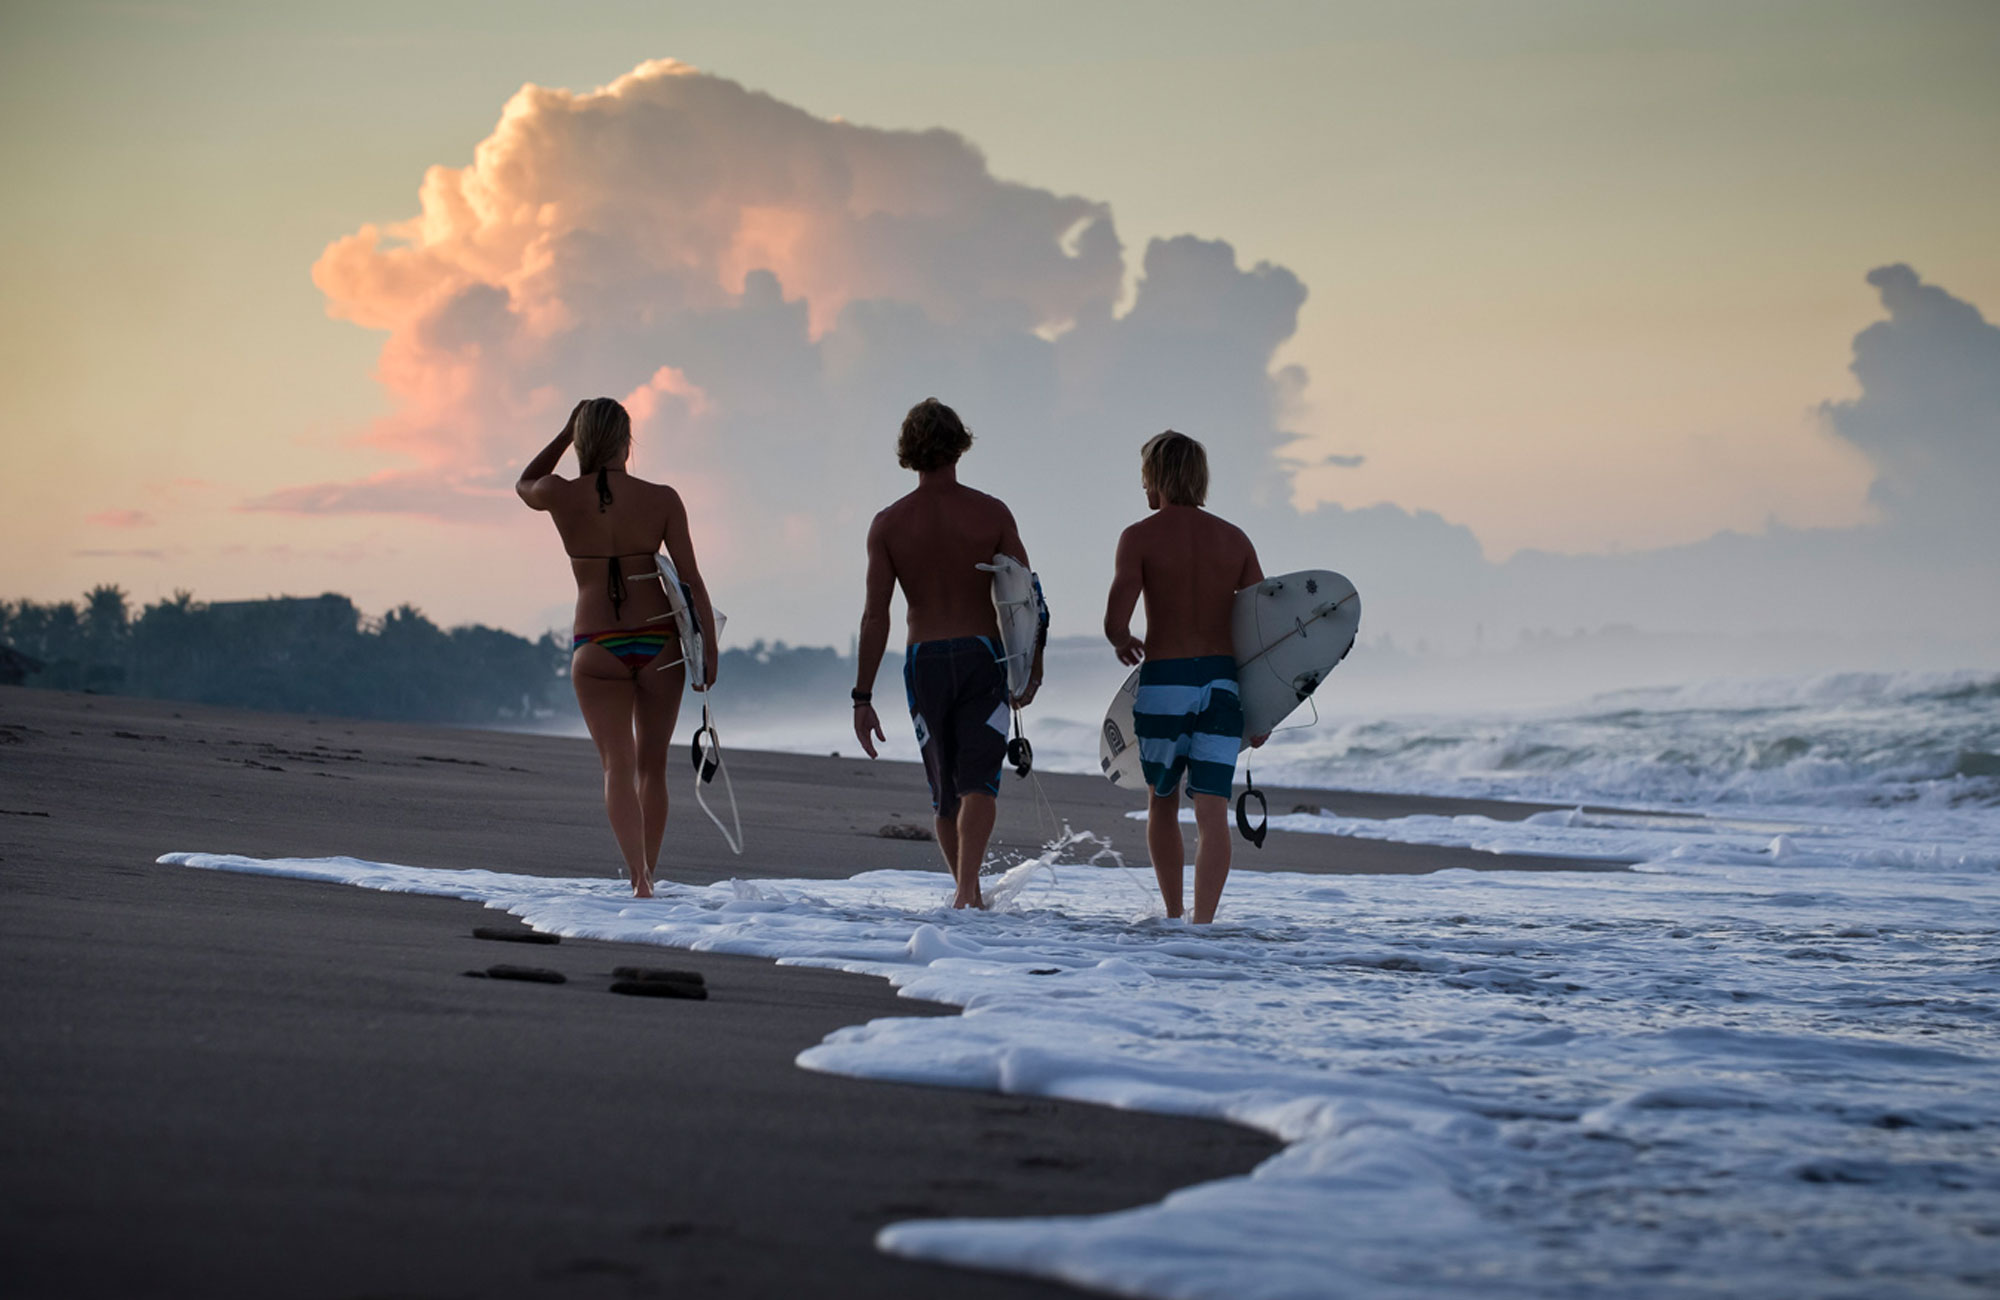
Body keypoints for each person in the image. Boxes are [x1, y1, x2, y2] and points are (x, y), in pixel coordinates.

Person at [517, 398, 719, 899]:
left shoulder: (560, 495)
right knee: (652, 766)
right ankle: (648, 871)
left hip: (596, 645)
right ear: (628, 441)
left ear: (583, 441)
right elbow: (690, 580)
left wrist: (565, 433)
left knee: (617, 767)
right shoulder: (662, 498)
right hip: (658, 644)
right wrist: (708, 648)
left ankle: (639, 879)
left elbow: (524, 481)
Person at [852, 398, 1045, 909]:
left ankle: (968, 892)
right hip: (983, 657)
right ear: (960, 444)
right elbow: (1027, 598)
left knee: (944, 789)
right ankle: (967, 891)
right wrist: (1032, 667)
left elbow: (876, 616)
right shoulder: (991, 512)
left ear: (908, 452)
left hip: (925, 662)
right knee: (980, 781)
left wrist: (862, 696)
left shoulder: (889, 524)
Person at [1103, 431, 1263, 924]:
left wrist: (1121, 640)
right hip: (1221, 681)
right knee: (1212, 810)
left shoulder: (1139, 537)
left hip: (1166, 681)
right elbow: (1262, 631)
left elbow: (1115, 619)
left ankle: (1173, 914)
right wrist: (1264, 709)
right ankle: (1204, 925)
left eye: (1145, 477)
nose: (1143, 488)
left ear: (1158, 477)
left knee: (1163, 801)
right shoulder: (1233, 539)